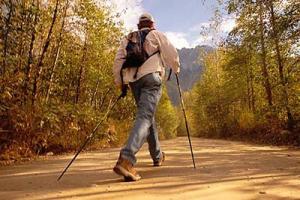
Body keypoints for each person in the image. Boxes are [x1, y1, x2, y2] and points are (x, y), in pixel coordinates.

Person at [112, 13, 180, 181]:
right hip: (151, 79)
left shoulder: (128, 38)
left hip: (134, 82)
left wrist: (121, 84)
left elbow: (118, 63)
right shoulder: (156, 35)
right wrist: (176, 69)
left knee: (148, 117)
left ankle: (157, 156)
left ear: (138, 25)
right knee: (145, 117)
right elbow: (172, 54)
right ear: (152, 24)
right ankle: (126, 159)